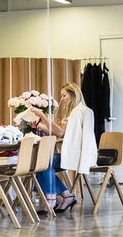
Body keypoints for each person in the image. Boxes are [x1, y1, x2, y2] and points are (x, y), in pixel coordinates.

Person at [30, 82, 98, 214]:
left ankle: (52, 198)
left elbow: (61, 132)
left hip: (77, 155)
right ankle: (66, 195)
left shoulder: (82, 112)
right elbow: (62, 132)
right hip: (72, 153)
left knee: (44, 162)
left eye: (64, 95)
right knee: (42, 162)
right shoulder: (74, 113)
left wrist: (42, 116)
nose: (62, 99)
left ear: (73, 95)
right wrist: (40, 126)